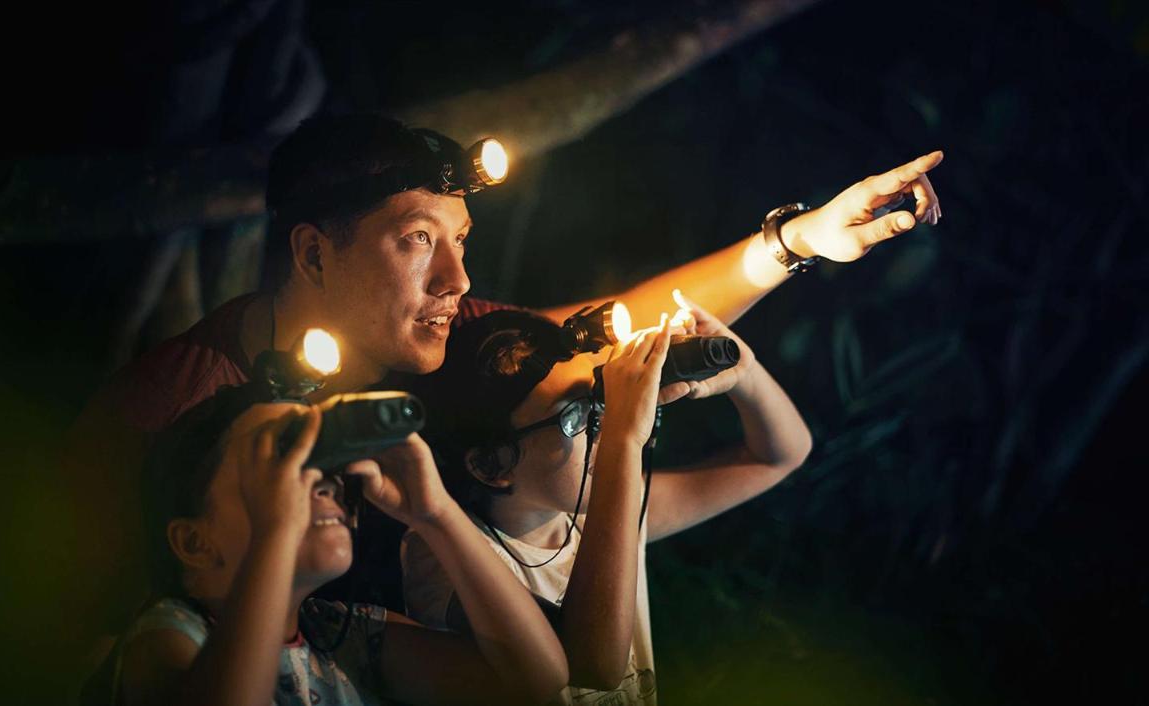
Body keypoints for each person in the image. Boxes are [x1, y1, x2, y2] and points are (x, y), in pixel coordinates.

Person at [63, 109, 943, 639]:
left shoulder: (456, 341)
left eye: (461, 241)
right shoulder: (174, 404)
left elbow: (611, 326)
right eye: (418, 241)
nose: (457, 279)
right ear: (314, 254)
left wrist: (796, 241)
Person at [400, 296, 812, 705]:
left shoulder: (590, 509)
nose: (603, 422)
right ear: (491, 465)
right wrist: (623, 438)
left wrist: (744, 371)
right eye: (574, 417)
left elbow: (778, 457)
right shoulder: (442, 553)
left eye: (598, 399)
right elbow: (594, 664)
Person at [110, 383, 568, 705]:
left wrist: (435, 513)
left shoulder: (339, 636)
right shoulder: (167, 639)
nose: (321, 480)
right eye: (281, 461)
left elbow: (536, 680)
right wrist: (278, 529)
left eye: (321, 461)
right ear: (194, 542)